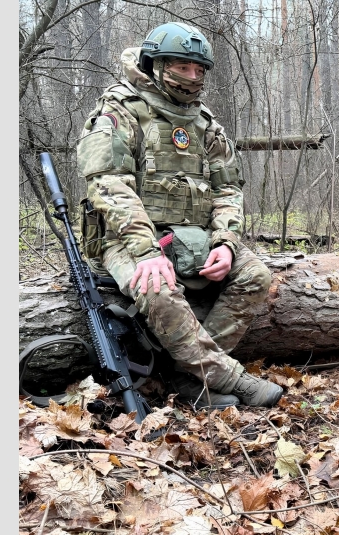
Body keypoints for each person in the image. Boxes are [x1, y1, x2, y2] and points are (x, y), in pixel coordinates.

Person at [75, 22, 283, 409]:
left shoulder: (204, 123)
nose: (191, 77)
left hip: (192, 236)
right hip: (126, 236)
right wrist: (146, 251)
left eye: (198, 69)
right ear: (155, 63)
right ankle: (227, 377)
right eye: (181, 66)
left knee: (254, 275)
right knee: (156, 287)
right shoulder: (121, 109)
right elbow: (108, 185)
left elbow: (228, 190)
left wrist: (225, 242)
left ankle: (185, 378)